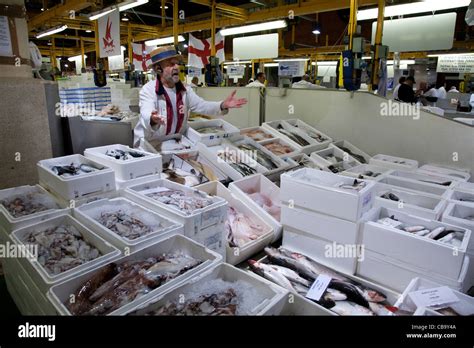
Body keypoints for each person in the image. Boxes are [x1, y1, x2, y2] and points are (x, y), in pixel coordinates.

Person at [134, 46, 247, 148]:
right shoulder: (149, 90)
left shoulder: (185, 89)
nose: (177, 67)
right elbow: (146, 112)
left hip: (175, 143)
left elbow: (201, 105)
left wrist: (222, 105)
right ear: (158, 69)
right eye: (171, 64)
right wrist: (152, 119)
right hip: (151, 144)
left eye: (177, 63)